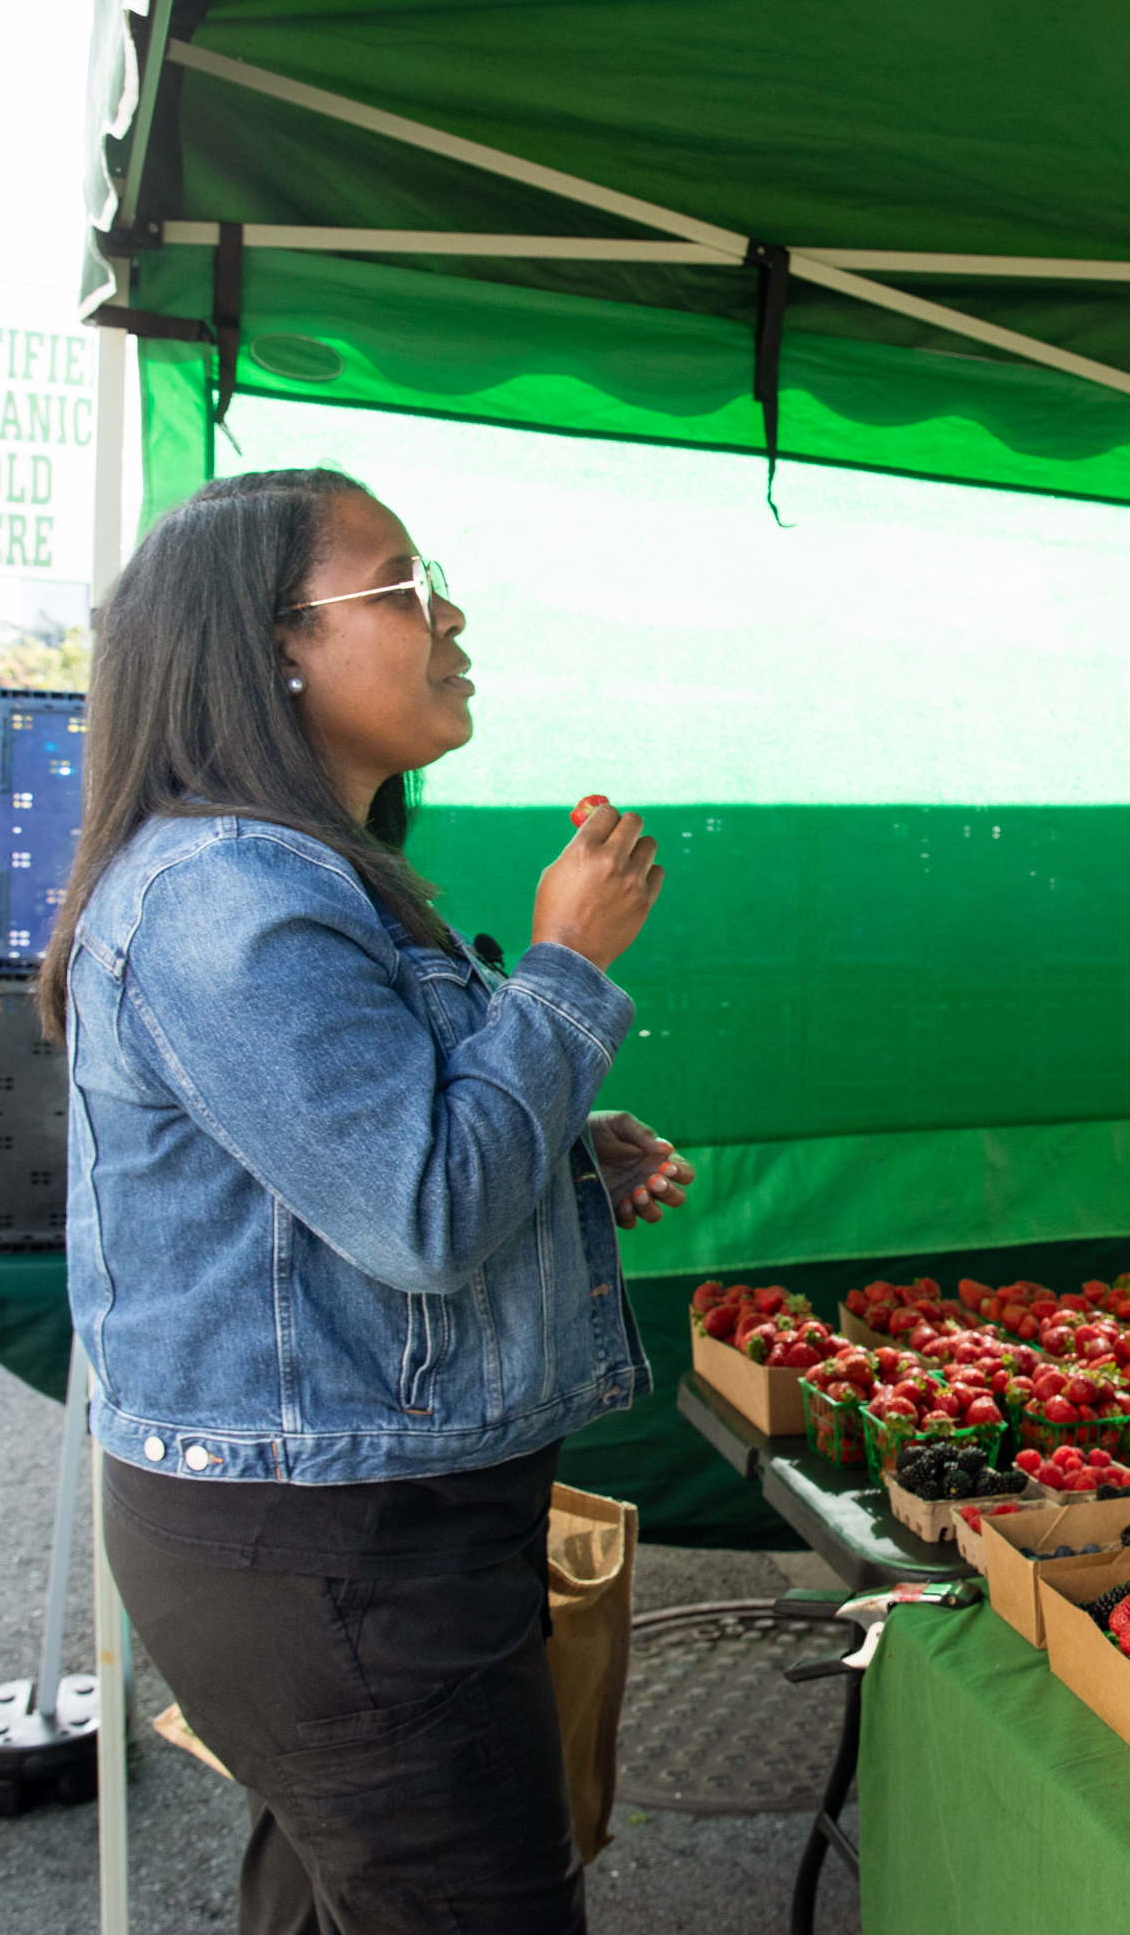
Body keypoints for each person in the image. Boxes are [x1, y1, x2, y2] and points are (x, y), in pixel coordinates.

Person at [37, 468, 691, 1933]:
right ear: (274, 643)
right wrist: (566, 967)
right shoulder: (228, 895)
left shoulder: (295, 872)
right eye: (399, 584)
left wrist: (561, 1149)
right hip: (339, 1560)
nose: (446, 612)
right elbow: (419, 1212)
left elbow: (344, 1157)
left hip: (341, 1534)